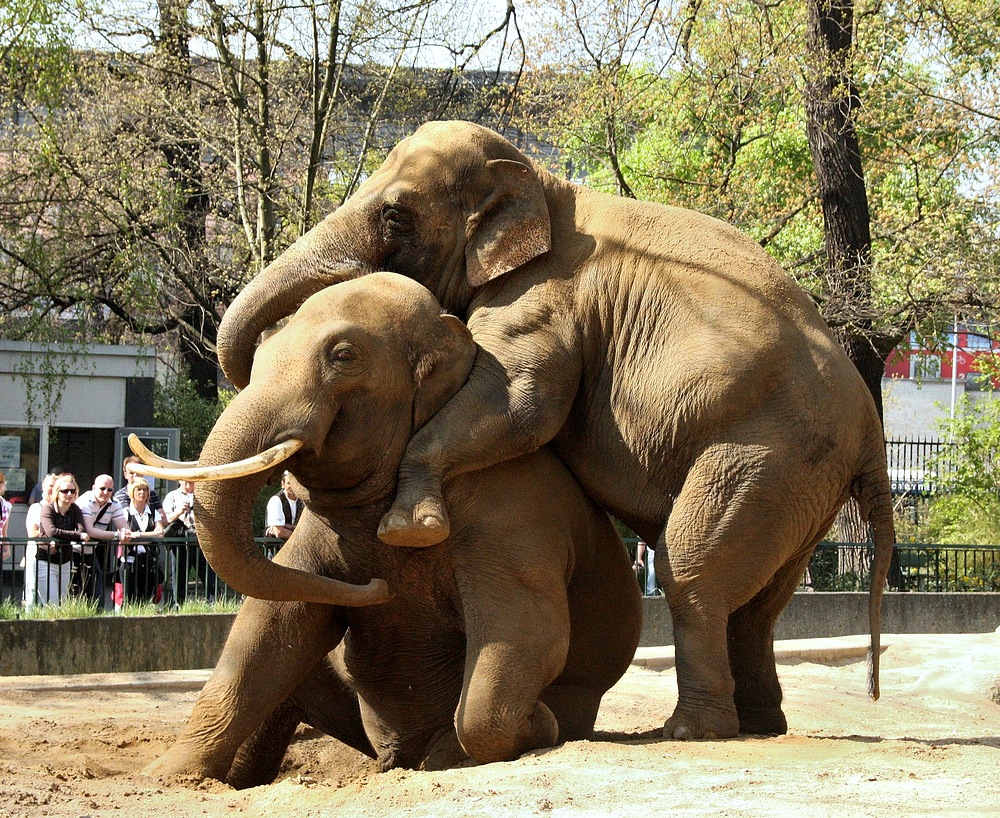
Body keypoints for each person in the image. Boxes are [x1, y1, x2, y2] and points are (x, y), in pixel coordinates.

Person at [75, 474, 132, 608]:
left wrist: (125, 533)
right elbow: (90, 531)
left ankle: (96, 616)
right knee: (72, 590)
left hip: (90, 551)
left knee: (96, 591)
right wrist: (118, 535)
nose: (106, 493)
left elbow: (125, 528)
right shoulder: (85, 501)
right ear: (94, 488)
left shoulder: (114, 504)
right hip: (72, 550)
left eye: (110, 490)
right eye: (102, 488)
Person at [38, 473, 89, 606]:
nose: (69, 494)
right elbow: (51, 531)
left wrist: (65, 536)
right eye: (65, 491)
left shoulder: (75, 509)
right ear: (57, 492)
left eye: (72, 491)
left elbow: (82, 530)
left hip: (65, 561)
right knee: (52, 603)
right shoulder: (47, 509)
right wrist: (76, 535)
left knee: (63, 602)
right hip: (46, 561)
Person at [113, 480, 164, 609]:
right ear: (132, 493)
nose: (142, 492)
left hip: (148, 561)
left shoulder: (153, 511)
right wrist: (149, 536)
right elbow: (127, 536)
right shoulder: (125, 512)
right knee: (128, 597)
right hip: (129, 561)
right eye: (138, 489)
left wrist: (139, 535)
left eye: (145, 490)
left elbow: (160, 532)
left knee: (145, 597)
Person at [23, 473, 57, 607]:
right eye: (51, 486)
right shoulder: (36, 508)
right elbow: (32, 533)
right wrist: (51, 536)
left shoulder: (60, 510)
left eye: (56, 486)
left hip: (53, 558)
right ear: (43, 487)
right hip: (35, 554)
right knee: (32, 589)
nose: (53, 489)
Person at [162, 480, 197, 604]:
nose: (188, 481)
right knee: (179, 578)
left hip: (200, 543)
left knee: (209, 578)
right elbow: (165, 520)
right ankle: (178, 605)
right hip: (180, 543)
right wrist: (178, 511)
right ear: (179, 479)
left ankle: (215, 605)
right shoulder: (172, 496)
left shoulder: (202, 495)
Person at [115, 456, 167, 529]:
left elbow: (163, 521)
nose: (135, 475)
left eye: (138, 472)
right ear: (125, 475)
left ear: (143, 473)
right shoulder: (120, 495)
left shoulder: (152, 494)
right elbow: (126, 524)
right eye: (131, 473)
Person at [264, 471, 303, 543]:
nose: (293, 486)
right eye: (289, 483)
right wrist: (301, 536)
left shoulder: (303, 502)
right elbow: (279, 532)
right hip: (277, 549)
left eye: (295, 483)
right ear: (283, 484)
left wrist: (285, 526)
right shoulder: (276, 500)